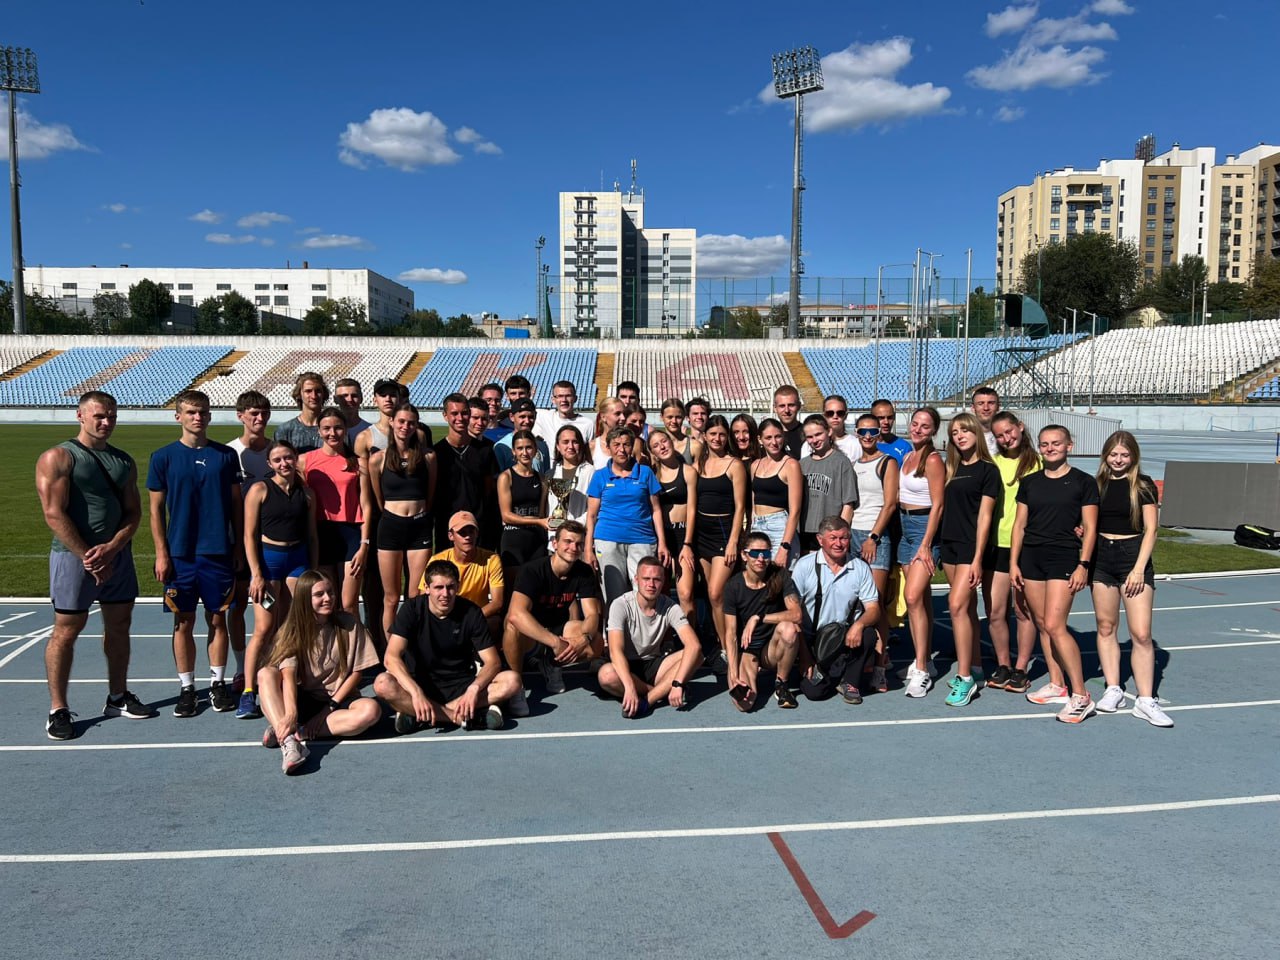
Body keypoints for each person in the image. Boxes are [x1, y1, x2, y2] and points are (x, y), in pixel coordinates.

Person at [36, 391, 149, 740]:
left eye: (111, 416)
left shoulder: (123, 461)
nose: (106, 422)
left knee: (119, 625)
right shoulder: (59, 457)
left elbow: (133, 513)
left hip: (117, 557)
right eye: (99, 416)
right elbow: (53, 513)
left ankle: (118, 696)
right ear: (80, 415)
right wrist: (90, 556)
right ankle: (58, 709)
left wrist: (112, 548)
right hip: (73, 559)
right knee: (66, 630)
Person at [147, 389, 243, 717]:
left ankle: (217, 683)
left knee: (218, 619)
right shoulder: (162, 457)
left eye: (202, 412)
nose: (197, 417)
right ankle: (187, 687)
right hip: (181, 554)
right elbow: (155, 510)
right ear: (178, 417)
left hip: (218, 552)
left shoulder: (226, 456)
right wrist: (162, 553)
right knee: (183, 621)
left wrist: (238, 547)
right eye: (190, 412)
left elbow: (236, 506)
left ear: (210, 416)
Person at [1010, 424, 1099, 724]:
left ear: (1069, 445)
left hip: (1063, 557)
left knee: (1055, 625)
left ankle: (1081, 695)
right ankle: (1057, 683)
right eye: (1045, 444)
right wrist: (1014, 563)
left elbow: (1090, 528)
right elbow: (1019, 525)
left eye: (1056, 443)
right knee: (1042, 624)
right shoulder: (1030, 482)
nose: (1050, 448)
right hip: (1031, 558)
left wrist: (1083, 564)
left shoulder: (1083, 482)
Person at [375, 559, 522, 733]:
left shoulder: (471, 612)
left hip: (461, 685)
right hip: (420, 683)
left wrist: (474, 689)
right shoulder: (411, 609)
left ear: (458, 587)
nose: (445, 594)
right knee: (382, 684)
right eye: (438, 587)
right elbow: (391, 657)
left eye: (450, 587)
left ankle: (419, 714)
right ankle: (459, 716)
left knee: (512, 681)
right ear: (427, 588)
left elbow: (493, 662)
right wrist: (416, 693)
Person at [257, 571, 381, 774]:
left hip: (337, 701)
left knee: (371, 710)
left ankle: (294, 731)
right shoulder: (293, 629)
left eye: (330, 592)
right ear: (305, 599)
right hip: (302, 699)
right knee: (265, 674)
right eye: (319, 594)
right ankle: (289, 742)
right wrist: (291, 713)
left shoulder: (349, 624)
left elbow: (357, 673)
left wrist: (327, 710)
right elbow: (288, 675)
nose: (328, 598)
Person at [1091, 431, 1170, 727]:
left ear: (1133, 456)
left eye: (1124, 455)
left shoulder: (1143, 485)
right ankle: (1113, 688)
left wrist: (1138, 568)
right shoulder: (1096, 484)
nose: (1118, 460)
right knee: (1106, 626)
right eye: (1113, 454)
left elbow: (1151, 530)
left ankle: (1146, 699)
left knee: (1141, 633)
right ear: (1106, 455)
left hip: (1133, 557)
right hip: (1102, 558)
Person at [238, 439, 319, 720]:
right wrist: (256, 574)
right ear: (269, 464)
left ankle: (290, 682)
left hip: (297, 561)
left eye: (288, 457)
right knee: (264, 627)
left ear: (295, 458)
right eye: (277, 459)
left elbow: (312, 536)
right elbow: (248, 535)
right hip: (269, 562)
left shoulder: (307, 494)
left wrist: (313, 571)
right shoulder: (259, 489)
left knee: (292, 625)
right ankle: (248, 691)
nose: (284, 463)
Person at [937, 413, 1000, 708]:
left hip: (970, 547)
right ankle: (975, 668)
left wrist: (977, 558)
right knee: (968, 609)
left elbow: (985, 516)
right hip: (949, 544)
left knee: (956, 605)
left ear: (976, 433)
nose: (960, 436)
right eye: (954, 432)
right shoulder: (951, 467)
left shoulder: (988, 470)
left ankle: (964, 678)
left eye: (964, 430)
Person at [504, 521, 603, 701]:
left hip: (558, 628)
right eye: (568, 541)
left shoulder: (584, 572)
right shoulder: (532, 570)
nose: (573, 548)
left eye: (579, 543)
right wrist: (555, 642)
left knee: (596, 642)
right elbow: (516, 614)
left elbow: (592, 614)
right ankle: (516, 686)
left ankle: (551, 664)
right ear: (555, 544)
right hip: (531, 634)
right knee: (512, 626)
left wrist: (584, 639)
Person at [792, 516, 882, 705]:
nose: (839, 544)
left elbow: (873, 609)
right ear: (820, 540)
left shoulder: (860, 567)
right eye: (833, 538)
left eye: (844, 538)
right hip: (813, 641)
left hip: (845, 637)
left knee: (868, 634)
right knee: (814, 693)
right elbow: (793, 614)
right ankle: (833, 673)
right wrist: (804, 655)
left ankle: (851, 682)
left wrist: (858, 625)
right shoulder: (804, 566)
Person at [982, 412, 1041, 695]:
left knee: (1022, 610)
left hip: (1028, 546)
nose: (1006, 439)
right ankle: (1003, 664)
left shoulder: (1038, 463)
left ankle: (1021, 668)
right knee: (995, 611)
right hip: (997, 545)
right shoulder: (992, 463)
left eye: (1009, 431)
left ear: (1020, 427)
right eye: (999, 436)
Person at [599, 557, 702, 717]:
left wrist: (677, 683)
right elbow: (615, 651)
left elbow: (693, 645)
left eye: (656, 580)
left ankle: (648, 700)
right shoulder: (621, 604)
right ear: (636, 580)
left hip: (654, 665)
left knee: (697, 655)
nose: (651, 584)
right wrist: (629, 687)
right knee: (606, 675)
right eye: (646, 579)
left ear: (663, 582)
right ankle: (661, 691)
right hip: (626, 665)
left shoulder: (670, 606)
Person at [369, 403, 437, 637]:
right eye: (401, 421)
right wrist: (392, 514)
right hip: (390, 527)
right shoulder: (378, 459)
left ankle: (413, 646)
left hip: (419, 527)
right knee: (390, 597)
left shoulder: (428, 457)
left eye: (411, 423)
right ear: (392, 422)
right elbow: (378, 498)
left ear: (416, 425)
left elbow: (430, 494)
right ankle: (391, 651)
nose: (405, 426)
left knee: (415, 594)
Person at [300, 407, 374, 618]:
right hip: (321, 534)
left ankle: (353, 641)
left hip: (350, 533)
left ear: (346, 428)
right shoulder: (305, 461)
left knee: (349, 604)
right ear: (319, 430)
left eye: (338, 428)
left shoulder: (358, 462)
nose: (332, 433)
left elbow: (366, 504)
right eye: (326, 428)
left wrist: (364, 544)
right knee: (325, 604)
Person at [585, 427, 667, 610]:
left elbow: (656, 510)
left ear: (632, 447)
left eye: (626, 445)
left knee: (645, 593)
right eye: (616, 445)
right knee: (614, 595)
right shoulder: (600, 476)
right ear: (609, 448)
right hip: (608, 539)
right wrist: (588, 548)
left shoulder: (645, 473)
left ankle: (643, 629)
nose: (621, 449)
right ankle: (613, 629)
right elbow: (591, 515)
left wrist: (662, 543)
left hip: (642, 539)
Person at [722, 532, 803, 711]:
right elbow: (730, 634)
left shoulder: (780, 575)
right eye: (754, 553)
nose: (761, 558)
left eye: (765, 553)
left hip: (771, 649)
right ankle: (747, 674)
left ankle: (781, 683)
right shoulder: (733, 586)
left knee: (789, 629)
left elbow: (797, 615)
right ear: (744, 555)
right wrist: (733, 674)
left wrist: (758, 618)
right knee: (744, 703)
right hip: (747, 651)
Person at [227, 390, 274, 695]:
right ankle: (240, 666)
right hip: (237, 541)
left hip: (272, 542)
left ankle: (270, 663)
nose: (259, 418)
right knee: (238, 604)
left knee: (272, 606)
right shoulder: (230, 453)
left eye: (263, 413)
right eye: (253, 413)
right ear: (240, 415)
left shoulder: (277, 451)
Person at [693, 415, 748, 670]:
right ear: (704, 436)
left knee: (717, 593)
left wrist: (734, 541)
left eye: (722, 434)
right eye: (712, 434)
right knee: (710, 594)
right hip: (701, 534)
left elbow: (740, 507)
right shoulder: (699, 463)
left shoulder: (734, 465)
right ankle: (723, 645)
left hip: (723, 533)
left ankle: (729, 647)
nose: (717, 439)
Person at [849, 413, 899, 693]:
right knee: (856, 603)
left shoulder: (887, 462)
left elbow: (890, 504)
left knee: (875, 604)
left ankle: (880, 666)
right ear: (856, 433)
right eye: (862, 431)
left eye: (872, 431)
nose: (867, 436)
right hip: (853, 535)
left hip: (875, 537)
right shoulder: (854, 464)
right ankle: (862, 661)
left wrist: (873, 537)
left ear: (879, 433)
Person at [898, 407, 945, 699]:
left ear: (933, 431)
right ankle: (925, 659)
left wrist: (926, 543)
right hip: (905, 528)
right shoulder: (907, 456)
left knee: (912, 597)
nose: (917, 429)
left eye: (925, 426)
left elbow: (938, 504)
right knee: (922, 600)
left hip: (923, 529)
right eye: (915, 423)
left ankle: (921, 670)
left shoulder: (933, 459)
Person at [421, 511, 505, 641]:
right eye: (462, 533)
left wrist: (469, 620)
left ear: (477, 533)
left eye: (471, 532)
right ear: (451, 536)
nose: (468, 537)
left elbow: (497, 602)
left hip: (477, 617)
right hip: (446, 616)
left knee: (495, 622)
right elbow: (424, 596)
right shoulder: (437, 560)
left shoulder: (491, 559)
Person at [433, 392, 498, 551]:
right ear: (445, 416)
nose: (460, 418)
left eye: (464, 413)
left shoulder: (485, 450)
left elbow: (488, 489)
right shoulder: (436, 452)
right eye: (454, 413)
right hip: (447, 525)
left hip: (478, 525)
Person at [647, 427, 698, 619]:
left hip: (683, 534)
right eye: (656, 445)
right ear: (652, 452)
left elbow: (692, 509)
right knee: (662, 593)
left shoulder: (688, 471)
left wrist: (687, 543)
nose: (662, 447)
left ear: (671, 442)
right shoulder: (653, 475)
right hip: (662, 536)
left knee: (685, 594)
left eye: (664, 441)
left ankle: (691, 635)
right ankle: (667, 635)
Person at [799, 414, 858, 554]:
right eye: (809, 437)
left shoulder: (841, 462)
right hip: (805, 531)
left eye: (818, 434)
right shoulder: (802, 464)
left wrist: (840, 534)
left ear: (829, 432)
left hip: (830, 533)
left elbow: (848, 504)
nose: (814, 440)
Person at [750, 418, 802, 568]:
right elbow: (754, 498)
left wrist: (784, 546)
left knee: (780, 576)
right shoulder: (755, 465)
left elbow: (795, 510)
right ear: (760, 440)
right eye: (768, 437)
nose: (774, 442)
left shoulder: (791, 465)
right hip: (757, 525)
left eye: (778, 436)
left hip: (779, 526)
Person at [497, 430, 549, 579]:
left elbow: (541, 514)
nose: (524, 452)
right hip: (514, 540)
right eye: (520, 448)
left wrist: (542, 522)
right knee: (514, 587)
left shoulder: (542, 479)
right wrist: (538, 521)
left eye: (528, 447)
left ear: (535, 450)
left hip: (536, 540)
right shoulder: (506, 477)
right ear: (513, 451)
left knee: (538, 586)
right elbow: (506, 516)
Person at [546, 424, 594, 543]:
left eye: (575, 442)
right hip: (554, 538)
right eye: (565, 442)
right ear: (558, 446)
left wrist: (575, 524)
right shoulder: (550, 474)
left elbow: (593, 508)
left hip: (578, 537)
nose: (570, 446)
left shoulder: (590, 472)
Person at [274, 372, 329, 455]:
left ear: (324, 394)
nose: (314, 396)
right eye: (308, 391)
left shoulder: (333, 429)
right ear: (299, 394)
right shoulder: (285, 430)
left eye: (318, 391)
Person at [535, 380, 594, 449]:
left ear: (575, 398)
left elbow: (591, 451)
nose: (564, 400)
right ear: (553, 399)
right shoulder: (544, 417)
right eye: (560, 396)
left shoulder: (587, 424)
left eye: (568, 396)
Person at [494, 398, 549, 473]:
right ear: (512, 417)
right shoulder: (501, 447)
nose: (527, 421)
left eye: (531, 417)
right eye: (522, 417)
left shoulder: (542, 445)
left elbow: (546, 476)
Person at [588, 397, 639, 469]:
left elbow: (640, 472)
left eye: (624, 413)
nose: (623, 418)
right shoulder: (591, 446)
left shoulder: (635, 443)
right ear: (603, 417)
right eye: (617, 414)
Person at [808, 395, 858, 462]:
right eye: (830, 413)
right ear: (824, 416)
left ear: (846, 416)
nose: (835, 416)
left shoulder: (855, 444)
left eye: (840, 413)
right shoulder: (811, 442)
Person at [660, 398, 701, 463]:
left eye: (678, 417)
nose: (674, 421)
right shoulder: (655, 446)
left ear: (683, 417)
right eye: (670, 417)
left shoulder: (695, 446)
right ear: (661, 417)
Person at [872, 399, 912, 466]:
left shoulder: (904, 447)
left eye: (890, 417)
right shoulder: (862, 445)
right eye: (881, 418)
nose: (886, 422)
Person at [334, 378, 371, 446]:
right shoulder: (329, 432)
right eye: (344, 396)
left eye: (354, 396)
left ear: (361, 398)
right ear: (335, 399)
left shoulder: (371, 431)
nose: (350, 399)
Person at [773, 385, 805, 460]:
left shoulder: (808, 434)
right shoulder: (768, 436)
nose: (787, 410)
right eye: (782, 406)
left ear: (799, 406)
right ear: (775, 408)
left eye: (791, 405)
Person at [970, 386, 1000, 452]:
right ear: (973, 408)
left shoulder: (1008, 436)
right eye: (980, 403)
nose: (986, 408)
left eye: (991, 403)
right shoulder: (966, 437)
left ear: (998, 406)